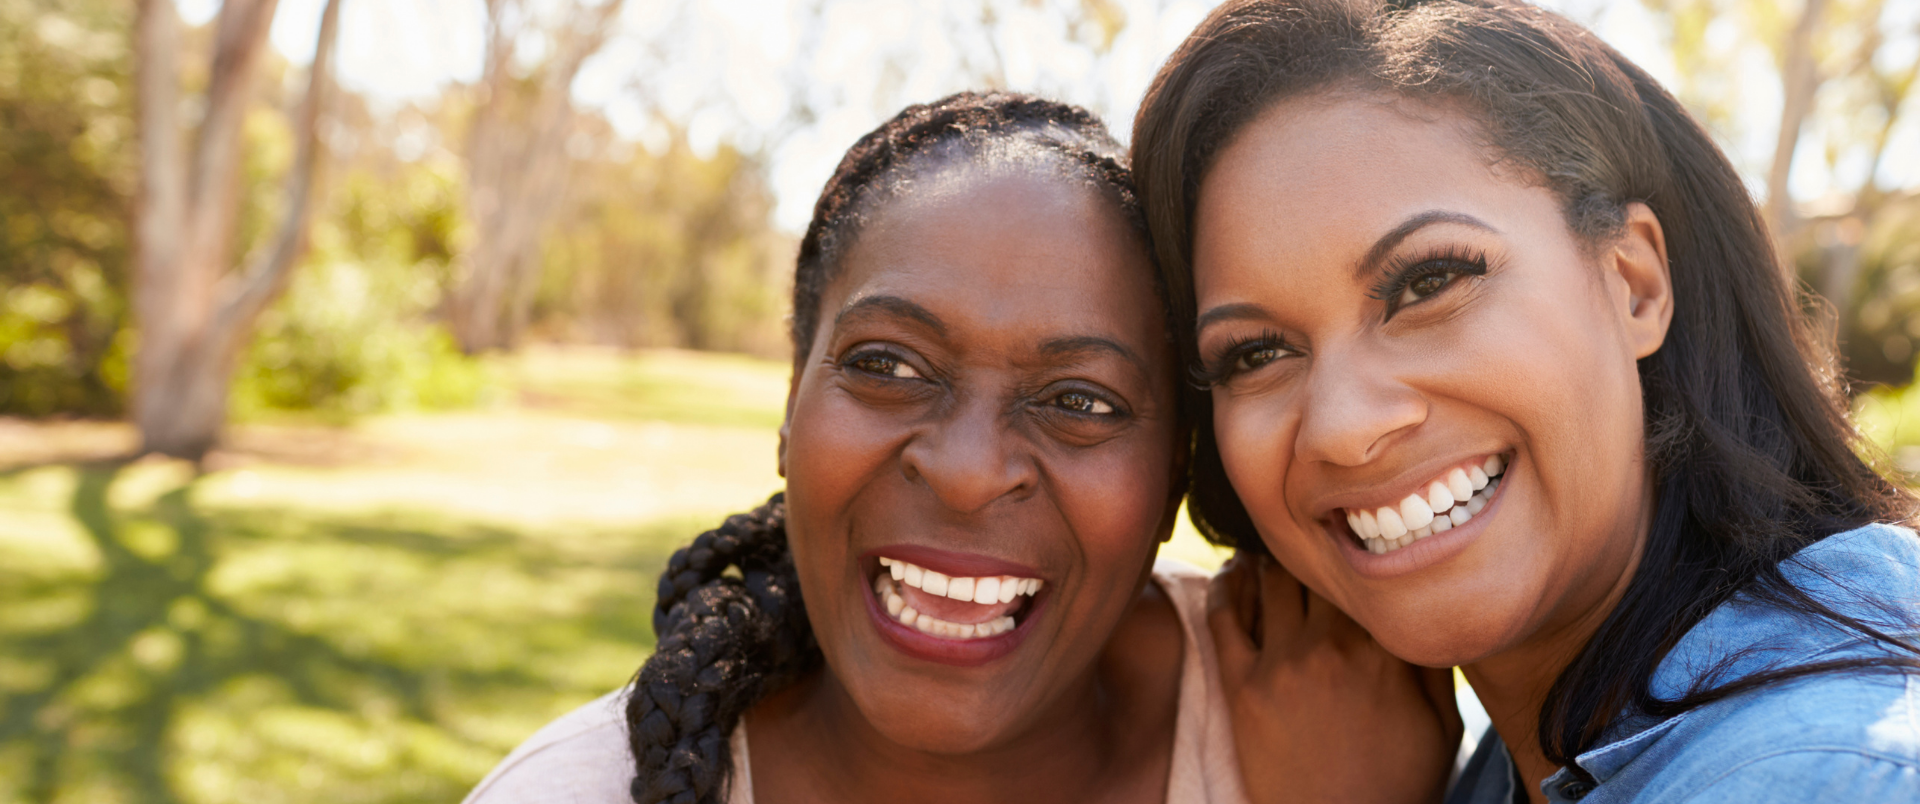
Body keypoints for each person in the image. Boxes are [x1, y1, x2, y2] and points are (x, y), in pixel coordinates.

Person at [1130, 1, 1920, 802]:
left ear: (1633, 283)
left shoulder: (1820, 775)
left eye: (1428, 282)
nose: (1342, 426)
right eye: (1256, 353)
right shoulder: (1526, 756)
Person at [464, 91, 1307, 804]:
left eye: (1080, 401)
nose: (967, 472)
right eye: (888, 365)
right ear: (794, 399)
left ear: (1172, 476)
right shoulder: (570, 790)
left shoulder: (1318, 714)